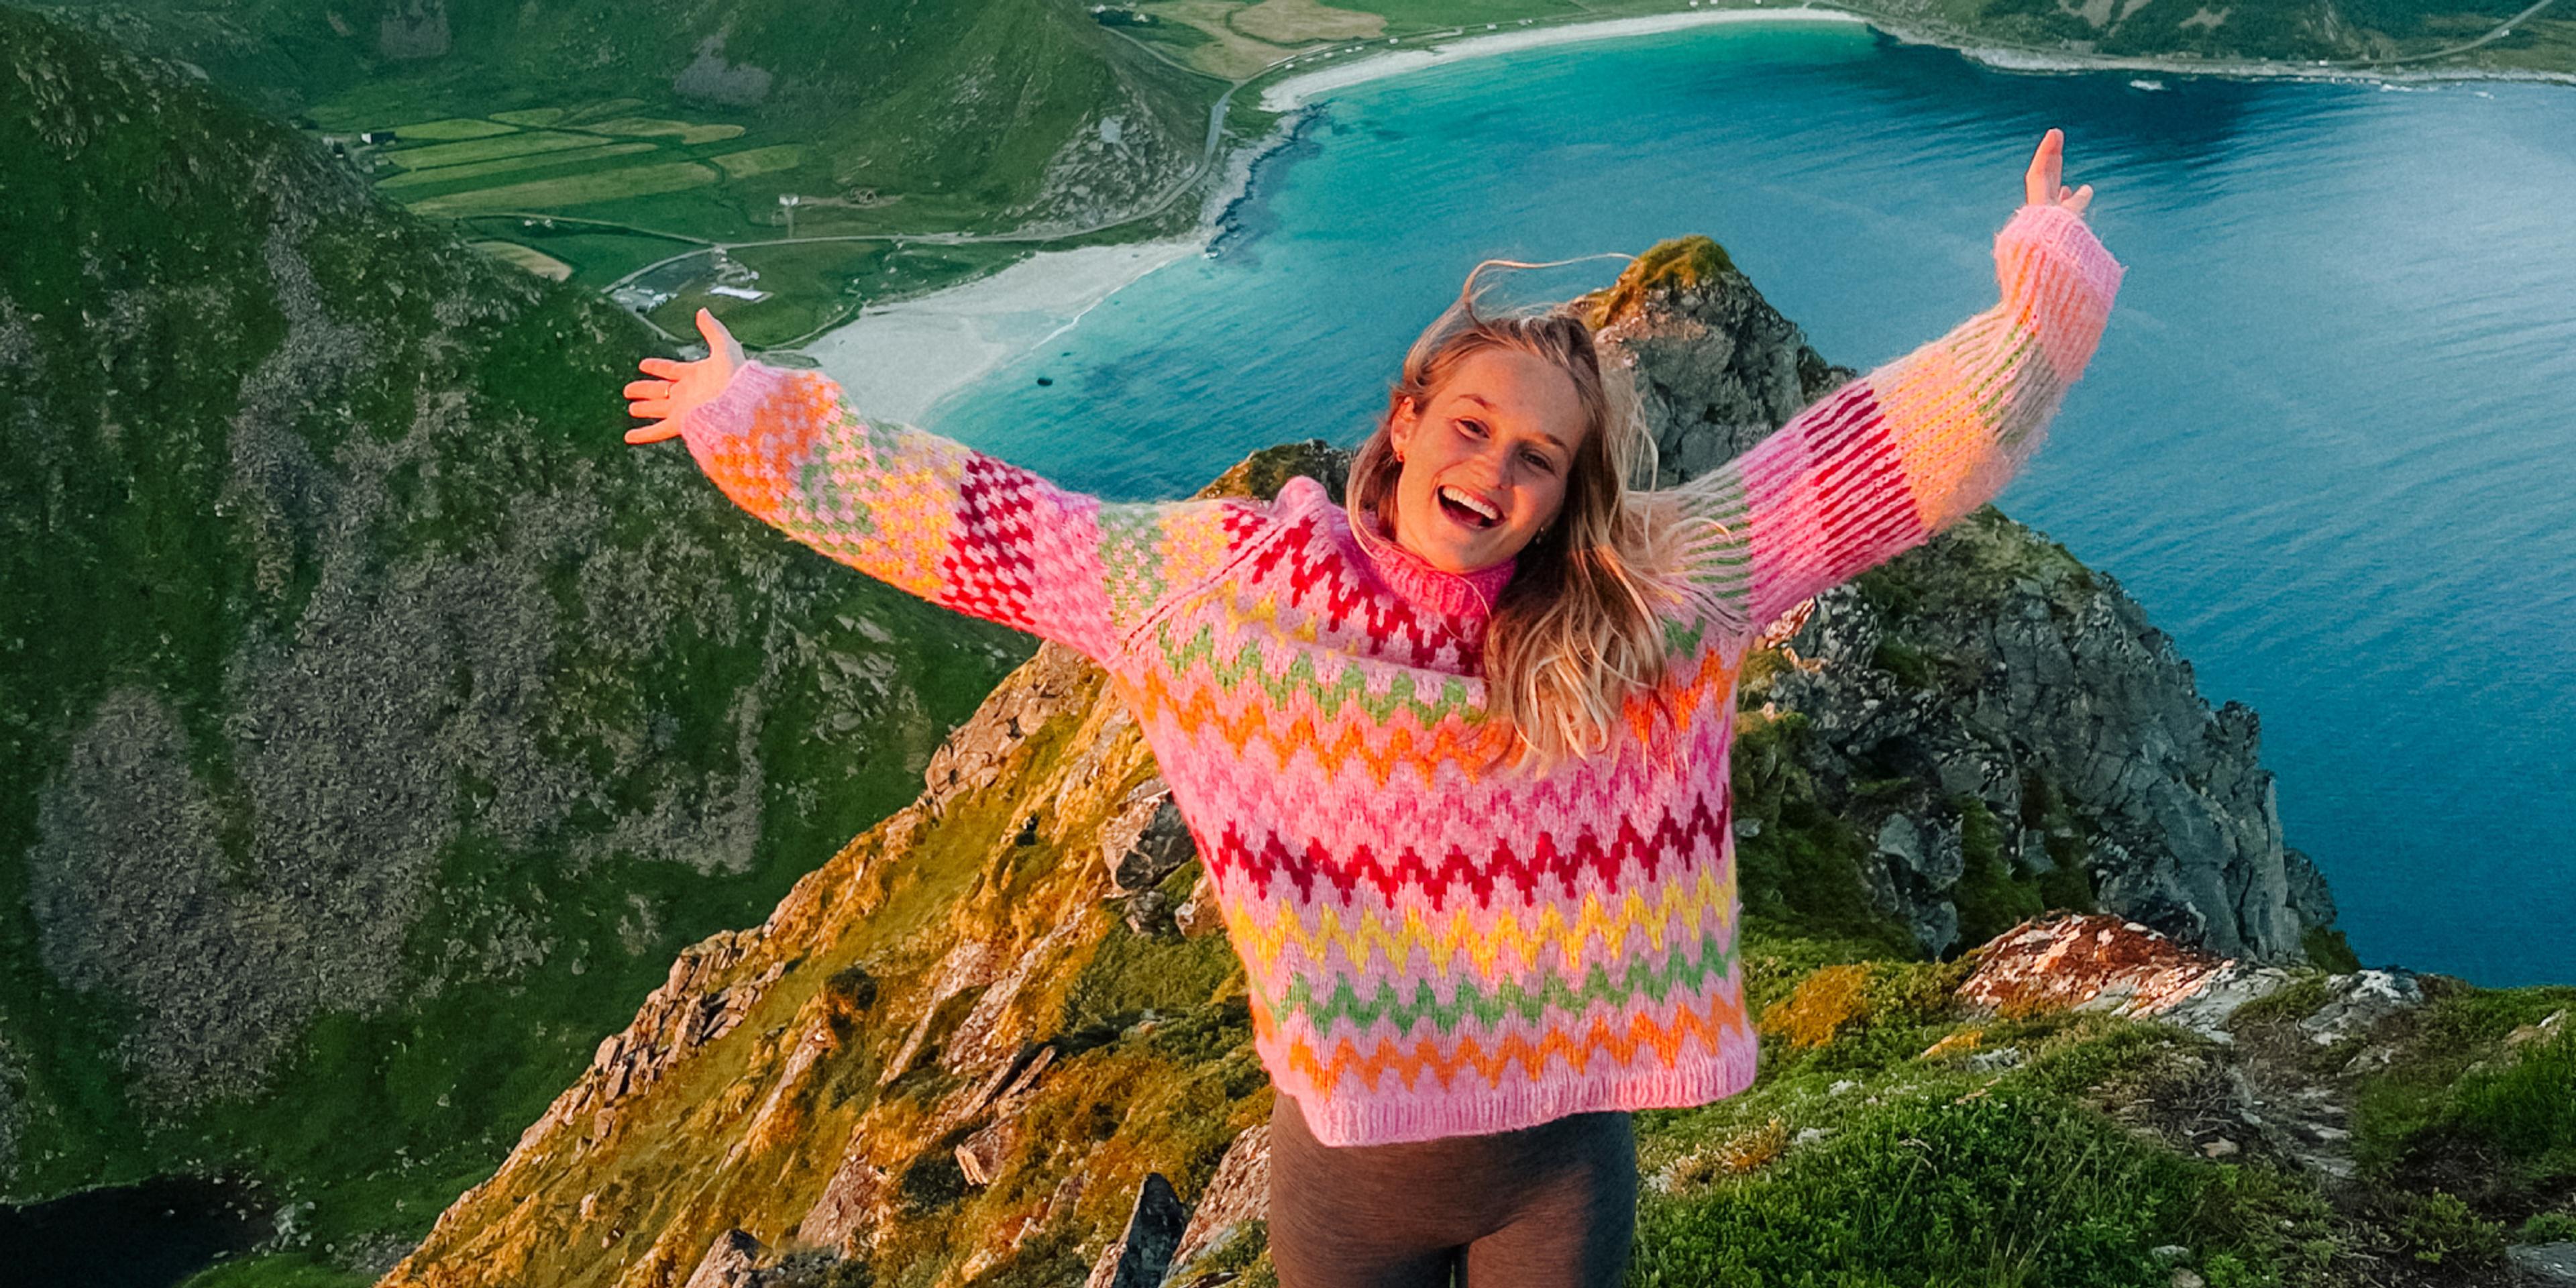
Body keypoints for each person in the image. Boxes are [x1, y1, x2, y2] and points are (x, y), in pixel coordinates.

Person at [627, 127, 2125, 1288]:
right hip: (1347, 1179)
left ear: (1567, 492)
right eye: (1472, 425)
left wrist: (2038, 312)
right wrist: (760, 428)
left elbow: (1868, 468)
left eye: (1539, 457)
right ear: (1406, 423)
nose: (1495, 469)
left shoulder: (1647, 594)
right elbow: (993, 528)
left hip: (1560, 1173)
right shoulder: (1234, 589)